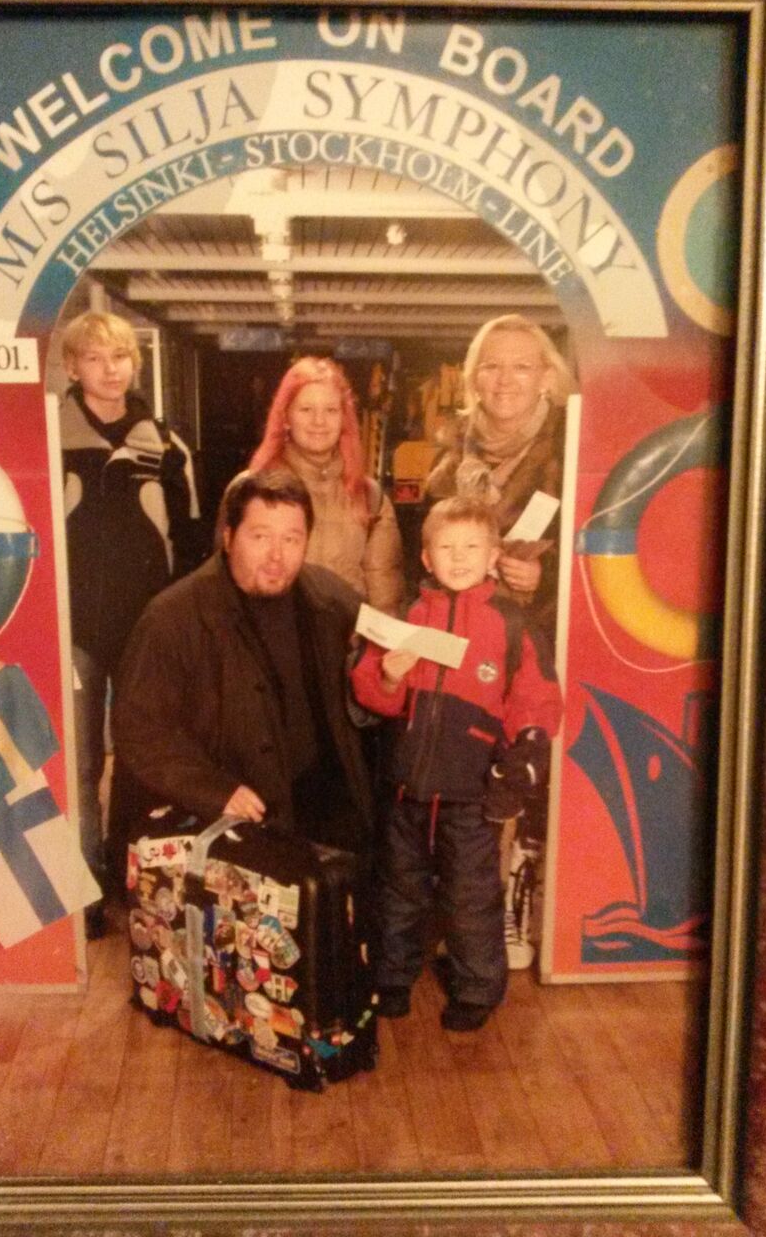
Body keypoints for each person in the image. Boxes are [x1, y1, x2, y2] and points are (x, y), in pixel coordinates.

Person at [351, 496, 562, 1031]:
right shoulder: (406, 617)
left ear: (494, 557)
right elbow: (373, 694)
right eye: (447, 547)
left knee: (471, 896)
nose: (460, 556)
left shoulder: (512, 625)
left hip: (471, 793)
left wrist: (525, 753)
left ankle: (477, 988)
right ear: (426, 558)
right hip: (407, 789)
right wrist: (390, 677)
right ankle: (391, 977)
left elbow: (536, 699)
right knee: (398, 889)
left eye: (472, 546)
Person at [111, 468, 373, 853]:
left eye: (291, 539)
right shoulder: (173, 618)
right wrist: (214, 790)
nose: (276, 555)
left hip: (320, 812)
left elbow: (383, 669)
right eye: (260, 536)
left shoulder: (331, 599)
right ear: (229, 537)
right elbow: (139, 729)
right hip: (233, 824)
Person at [59, 311, 202, 937]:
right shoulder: (49, 439)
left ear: (135, 364)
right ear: (72, 367)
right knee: (81, 763)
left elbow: (193, 544)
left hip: (148, 632)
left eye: (119, 356)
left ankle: (139, 879)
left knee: (145, 757)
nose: (109, 369)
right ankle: (86, 888)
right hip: (73, 632)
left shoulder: (167, 447)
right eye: (94, 358)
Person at [425, 314, 575, 638]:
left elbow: (601, 556)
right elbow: (422, 557)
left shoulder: (572, 449)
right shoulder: (449, 459)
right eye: (491, 366)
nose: (504, 380)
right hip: (460, 635)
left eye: (521, 367)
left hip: (539, 637)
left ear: (547, 378)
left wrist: (547, 576)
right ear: (474, 379)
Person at [249, 356, 405, 616]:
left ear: (344, 418)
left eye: (331, 410)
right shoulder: (253, 489)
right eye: (306, 409)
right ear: (285, 416)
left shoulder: (370, 496)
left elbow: (385, 599)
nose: (319, 421)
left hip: (348, 638)